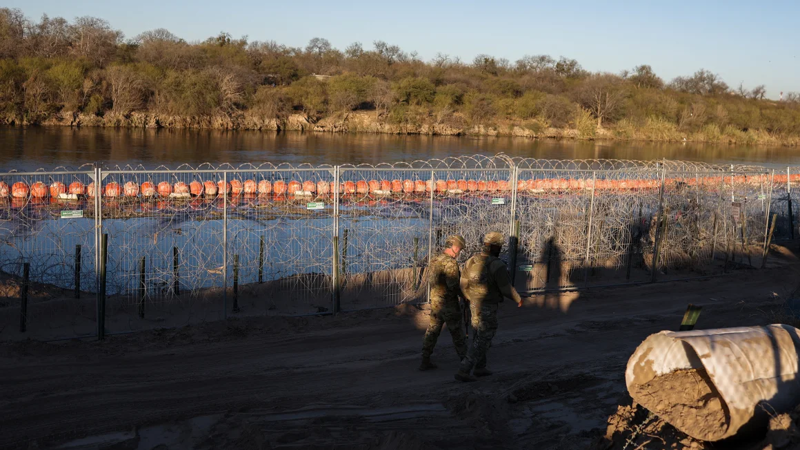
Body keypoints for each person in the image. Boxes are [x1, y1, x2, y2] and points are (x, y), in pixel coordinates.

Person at [455, 231, 523, 382]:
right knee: (485, 336)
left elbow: (463, 284)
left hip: (473, 304)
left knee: (477, 335)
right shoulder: (497, 265)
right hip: (487, 305)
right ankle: (464, 369)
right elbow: (505, 288)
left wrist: (467, 298)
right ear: (494, 247)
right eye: (499, 246)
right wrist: (518, 299)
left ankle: (480, 367)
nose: (500, 249)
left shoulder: (471, 261)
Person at [419, 234, 468, 371]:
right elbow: (453, 286)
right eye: (460, 250)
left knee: (432, 331)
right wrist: (464, 296)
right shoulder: (451, 263)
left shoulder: (435, 260)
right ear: (456, 247)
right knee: (458, 334)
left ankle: (425, 359)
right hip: (448, 304)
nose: (459, 253)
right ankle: (466, 363)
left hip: (435, 303)